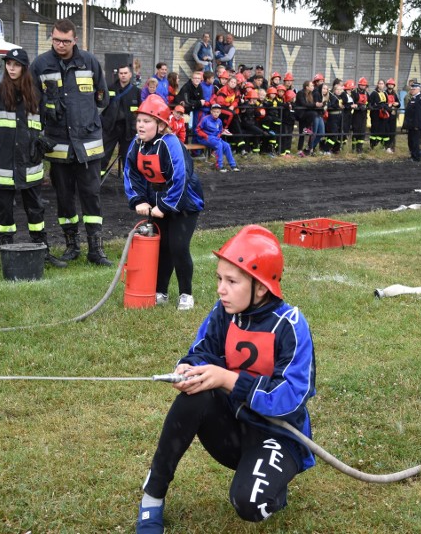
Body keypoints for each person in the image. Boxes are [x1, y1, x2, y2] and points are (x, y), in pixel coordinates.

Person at [133, 224, 317, 533]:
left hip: (279, 436)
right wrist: (187, 370)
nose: (221, 289)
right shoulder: (223, 312)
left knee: (250, 504)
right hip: (233, 427)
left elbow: (291, 398)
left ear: (260, 287)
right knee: (195, 395)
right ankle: (153, 493)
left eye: (231, 281)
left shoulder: (291, 325)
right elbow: (201, 352)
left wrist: (228, 379)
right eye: (220, 279)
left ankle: (271, 481)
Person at [30, 18, 112, 266]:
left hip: (88, 145)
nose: (60, 45)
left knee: (91, 196)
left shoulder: (89, 61)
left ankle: (95, 250)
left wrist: (86, 119)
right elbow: (32, 100)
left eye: (65, 41)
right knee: (64, 198)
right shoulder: (41, 64)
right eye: (56, 40)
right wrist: (47, 110)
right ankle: (71, 245)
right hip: (58, 146)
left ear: (75, 40)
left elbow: (102, 97)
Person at [0, 49, 66, 268]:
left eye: (16, 64)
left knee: (36, 209)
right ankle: (6, 252)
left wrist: (39, 144)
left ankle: (42, 250)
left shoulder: (34, 95)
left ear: (24, 68)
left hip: (29, 164)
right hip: (3, 165)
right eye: (8, 64)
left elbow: (43, 125)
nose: (11, 68)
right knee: (5, 212)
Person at [124, 95, 204, 310]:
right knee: (162, 247)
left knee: (178, 246)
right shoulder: (137, 143)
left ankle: (186, 294)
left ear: (160, 125)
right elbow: (131, 173)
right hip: (157, 201)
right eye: (139, 120)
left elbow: (180, 177)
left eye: (147, 121)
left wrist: (166, 206)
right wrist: (139, 199)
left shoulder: (171, 144)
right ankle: (161, 291)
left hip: (184, 203)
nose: (141, 125)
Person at [100, 64, 143, 178]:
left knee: (128, 156)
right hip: (110, 128)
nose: (123, 76)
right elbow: (101, 107)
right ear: (118, 75)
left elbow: (140, 112)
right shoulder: (109, 89)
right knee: (103, 155)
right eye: (121, 73)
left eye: (125, 73)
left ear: (130, 75)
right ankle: (97, 179)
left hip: (128, 129)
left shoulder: (136, 91)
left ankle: (129, 181)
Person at [195, 104, 239, 172]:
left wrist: (218, 136)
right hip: (205, 138)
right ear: (211, 112)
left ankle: (233, 165)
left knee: (227, 145)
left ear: (220, 112)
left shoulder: (219, 121)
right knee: (219, 145)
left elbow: (220, 131)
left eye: (217, 112)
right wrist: (206, 136)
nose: (215, 113)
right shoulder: (205, 119)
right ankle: (219, 166)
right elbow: (197, 130)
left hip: (215, 138)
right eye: (214, 111)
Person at [401, 81, 421, 161]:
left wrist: (416, 125)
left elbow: (418, 114)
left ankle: (416, 156)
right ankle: (412, 155)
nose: (411, 90)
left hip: (415, 125)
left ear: (418, 90)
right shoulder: (413, 98)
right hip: (411, 124)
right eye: (411, 89)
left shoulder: (419, 99)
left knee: (415, 141)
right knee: (411, 141)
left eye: (413, 89)